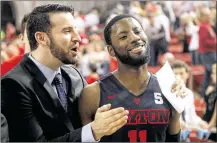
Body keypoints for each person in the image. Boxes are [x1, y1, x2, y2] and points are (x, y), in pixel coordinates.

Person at [1, 4, 129, 142]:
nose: (78, 38)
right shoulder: (13, 84)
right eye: (67, 31)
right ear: (41, 38)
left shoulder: (75, 75)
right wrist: (92, 131)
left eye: (76, 30)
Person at [79, 14, 187, 142]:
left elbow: (173, 139)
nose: (135, 38)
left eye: (137, 31)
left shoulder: (167, 87)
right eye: (123, 36)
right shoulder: (92, 93)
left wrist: (177, 113)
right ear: (111, 50)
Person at [171, 60, 209, 141]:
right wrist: (177, 122)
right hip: (170, 134)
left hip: (184, 134)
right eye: (175, 73)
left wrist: (200, 122)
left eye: (181, 73)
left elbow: (191, 116)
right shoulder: (166, 93)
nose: (179, 76)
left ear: (187, 75)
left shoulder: (189, 94)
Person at [203, 63, 217, 141]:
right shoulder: (212, 87)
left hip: (213, 124)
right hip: (208, 120)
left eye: (214, 73)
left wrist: (212, 123)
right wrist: (207, 94)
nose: (212, 76)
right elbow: (207, 105)